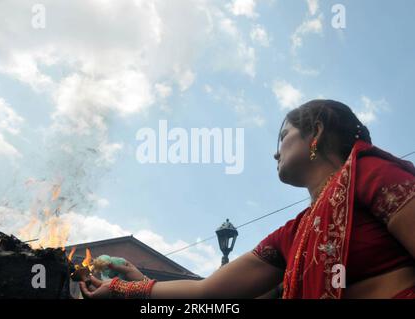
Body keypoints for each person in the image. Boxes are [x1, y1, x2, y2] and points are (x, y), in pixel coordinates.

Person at [79, 99, 415, 299]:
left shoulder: (371, 174)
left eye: (283, 136)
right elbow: (208, 293)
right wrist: (130, 288)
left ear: (316, 131)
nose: (274, 151)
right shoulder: (293, 234)